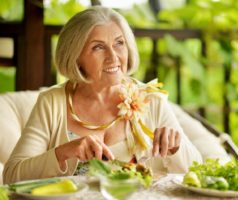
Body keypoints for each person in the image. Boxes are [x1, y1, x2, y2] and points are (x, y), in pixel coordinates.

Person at [3, 6, 202, 184]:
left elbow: (197, 171)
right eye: (98, 47)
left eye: (119, 43)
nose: (113, 56)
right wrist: (64, 152)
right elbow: (12, 175)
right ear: (75, 57)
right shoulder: (52, 103)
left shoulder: (150, 99)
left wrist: (176, 148)